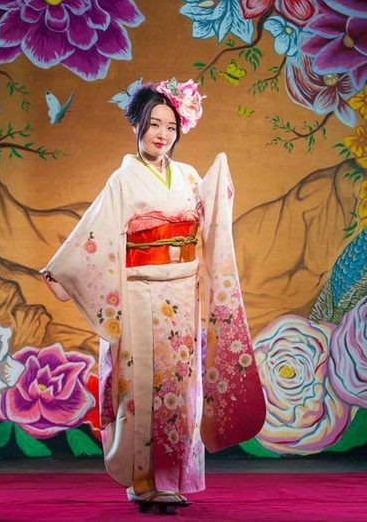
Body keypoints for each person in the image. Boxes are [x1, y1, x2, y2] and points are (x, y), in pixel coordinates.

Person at [42, 78, 266, 510]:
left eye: (170, 126)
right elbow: (96, 233)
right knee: (141, 387)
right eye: (153, 125)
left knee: (180, 387)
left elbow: (206, 224)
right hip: (139, 295)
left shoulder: (188, 176)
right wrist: (65, 275)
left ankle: (172, 477)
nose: (162, 134)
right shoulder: (123, 180)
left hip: (183, 293)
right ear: (137, 127)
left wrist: (218, 192)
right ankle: (143, 480)